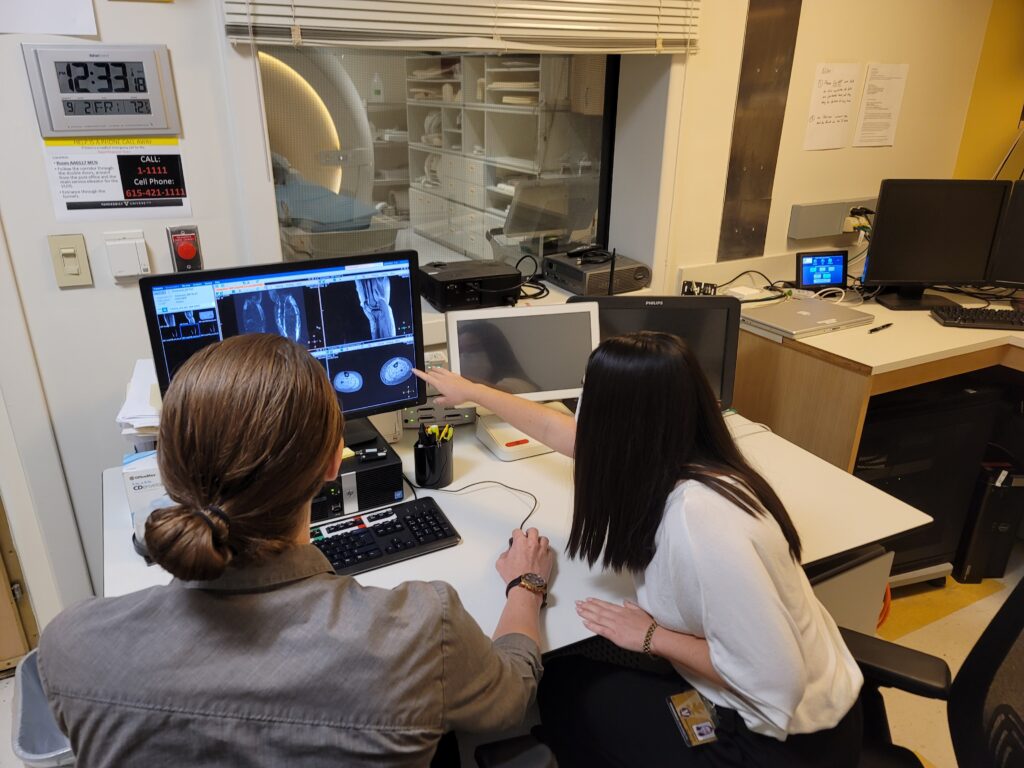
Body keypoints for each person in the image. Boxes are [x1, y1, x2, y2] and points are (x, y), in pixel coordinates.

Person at [38, 333, 554, 767]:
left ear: (166, 470)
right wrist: (525, 588)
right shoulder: (420, 630)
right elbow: (508, 701)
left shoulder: (73, 647)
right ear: (335, 460)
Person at [414, 331, 864, 768]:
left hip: (775, 743)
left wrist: (652, 637)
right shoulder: (691, 457)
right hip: (794, 709)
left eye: (589, 397)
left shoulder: (702, 524)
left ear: (621, 420)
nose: (580, 409)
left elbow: (773, 684)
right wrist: (472, 391)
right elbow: (559, 430)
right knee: (579, 668)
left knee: (565, 690)